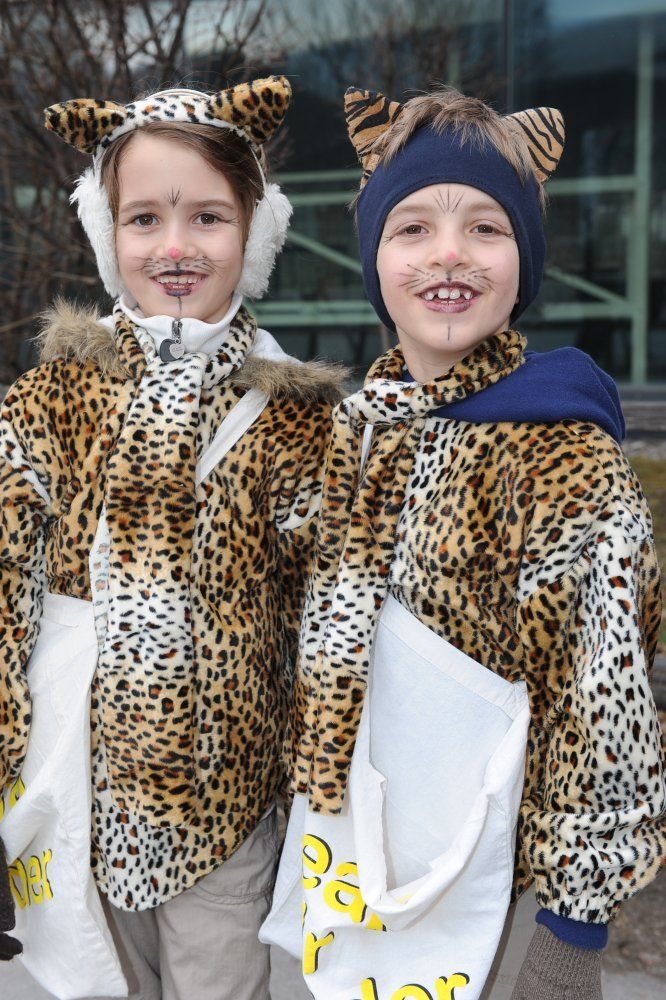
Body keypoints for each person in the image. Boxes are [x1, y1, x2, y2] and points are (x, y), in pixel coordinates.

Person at [270, 86, 665, 1000]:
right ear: (375, 262)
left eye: (485, 228)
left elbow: (603, 703)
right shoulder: (356, 429)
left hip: (496, 881)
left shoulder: (562, 456)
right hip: (356, 854)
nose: (448, 253)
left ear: (524, 263)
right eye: (413, 228)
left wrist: (570, 937)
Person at [0, 76, 345, 999]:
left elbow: (331, 627)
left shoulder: (298, 418)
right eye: (144, 218)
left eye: (209, 218)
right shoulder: (52, 400)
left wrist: (325, 805)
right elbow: (2, 599)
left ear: (257, 233)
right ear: (106, 233)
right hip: (77, 802)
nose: (176, 246)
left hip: (223, 821)